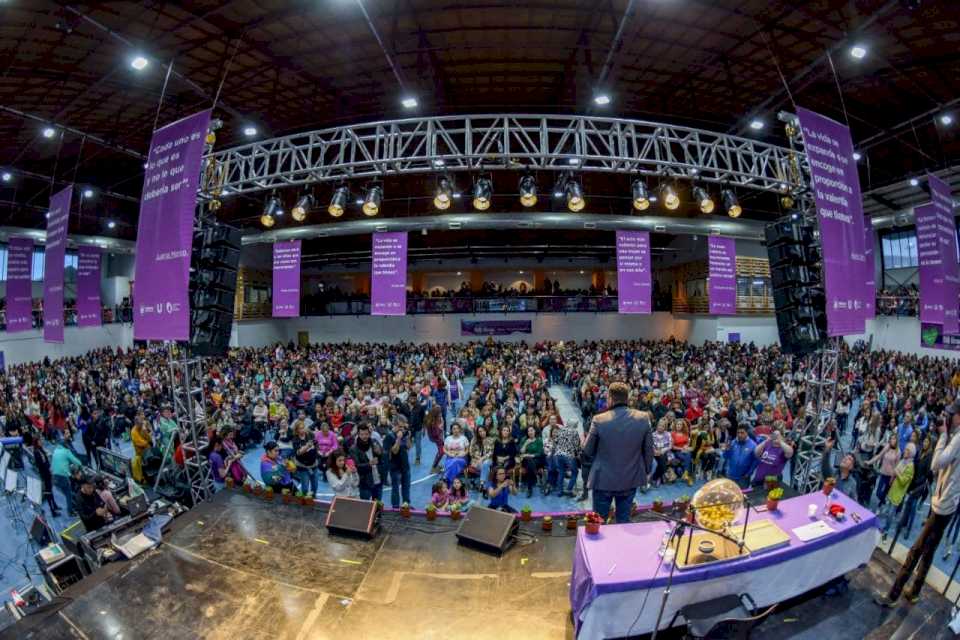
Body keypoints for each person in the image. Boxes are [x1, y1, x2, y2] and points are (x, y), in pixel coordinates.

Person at [877, 411, 960, 607]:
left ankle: (892, 595)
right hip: (948, 503)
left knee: (915, 551)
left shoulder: (957, 437)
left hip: (943, 504)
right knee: (929, 551)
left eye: (951, 414)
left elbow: (936, 464)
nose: (946, 418)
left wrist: (942, 436)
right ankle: (914, 592)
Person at [583, 382, 654, 524]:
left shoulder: (599, 420)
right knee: (623, 521)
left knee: (599, 522)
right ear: (627, 398)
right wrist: (646, 471)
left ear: (610, 398)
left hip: (603, 480)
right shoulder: (643, 418)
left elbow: (587, 450)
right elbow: (649, 450)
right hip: (630, 478)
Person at [878, 442, 916, 540]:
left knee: (891, 513)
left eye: (908, 450)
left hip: (898, 493)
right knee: (887, 510)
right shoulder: (903, 461)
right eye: (906, 449)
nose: (905, 451)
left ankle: (886, 530)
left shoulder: (910, 466)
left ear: (911, 453)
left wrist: (897, 472)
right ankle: (883, 527)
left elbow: (903, 481)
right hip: (893, 489)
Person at [22, 432, 60, 516]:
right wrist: (48, 469)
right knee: (48, 492)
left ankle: (55, 505)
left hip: (47, 473)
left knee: (50, 490)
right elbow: (41, 465)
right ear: (37, 441)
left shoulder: (40, 449)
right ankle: (53, 511)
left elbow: (45, 460)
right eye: (40, 440)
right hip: (45, 474)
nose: (42, 441)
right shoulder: (36, 452)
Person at [546, 417, 581, 497]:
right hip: (568, 456)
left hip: (558, 456)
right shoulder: (574, 432)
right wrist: (578, 456)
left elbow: (555, 443)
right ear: (574, 425)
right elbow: (577, 447)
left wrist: (553, 454)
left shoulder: (561, 430)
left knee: (561, 472)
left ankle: (560, 491)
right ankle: (569, 490)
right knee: (575, 472)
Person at [350, 424, 383, 500]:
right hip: (365, 482)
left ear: (370, 434)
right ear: (358, 434)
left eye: (366, 434)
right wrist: (369, 464)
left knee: (378, 505)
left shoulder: (374, 442)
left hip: (378, 478)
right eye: (362, 434)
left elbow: (382, 458)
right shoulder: (353, 449)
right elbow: (357, 466)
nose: (364, 436)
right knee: (365, 506)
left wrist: (380, 452)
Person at [383, 420, 412, 508]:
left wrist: (408, 437)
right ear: (394, 426)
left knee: (406, 487)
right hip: (395, 467)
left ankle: (406, 505)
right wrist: (398, 439)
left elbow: (409, 447)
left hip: (405, 466)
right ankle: (395, 507)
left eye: (403, 427)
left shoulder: (403, 435)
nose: (402, 429)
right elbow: (394, 451)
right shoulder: (389, 436)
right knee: (395, 488)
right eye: (400, 427)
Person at [51, 440, 83, 516]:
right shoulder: (66, 451)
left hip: (54, 477)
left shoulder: (55, 451)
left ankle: (73, 505)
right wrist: (81, 466)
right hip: (62, 477)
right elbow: (77, 462)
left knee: (66, 493)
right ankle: (70, 512)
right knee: (68, 494)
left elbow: (60, 463)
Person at [292, 421, 319, 495]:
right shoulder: (295, 439)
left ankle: (313, 498)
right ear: (297, 430)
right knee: (305, 488)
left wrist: (316, 448)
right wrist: (307, 446)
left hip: (314, 465)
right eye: (300, 428)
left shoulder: (310, 434)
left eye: (303, 427)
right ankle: (305, 502)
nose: (302, 430)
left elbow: (316, 444)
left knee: (315, 486)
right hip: (303, 466)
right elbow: (298, 453)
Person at [518, 425, 544, 498]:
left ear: (535, 431)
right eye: (528, 431)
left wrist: (531, 455)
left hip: (536, 460)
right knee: (529, 461)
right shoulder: (524, 439)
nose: (530, 432)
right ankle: (536, 476)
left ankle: (529, 488)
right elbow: (521, 452)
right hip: (525, 461)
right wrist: (526, 443)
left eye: (532, 430)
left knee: (530, 462)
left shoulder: (539, 440)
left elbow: (540, 453)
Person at [442, 421, 470, 486]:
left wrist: (463, 454)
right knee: (453, 463)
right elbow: (444, 449)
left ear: (460, 429)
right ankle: (449, 480)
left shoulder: (464, 438)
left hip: (461, 458)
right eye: (454, 429)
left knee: (455, 461)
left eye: (457, 428)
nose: (456, 430)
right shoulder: (448, 438)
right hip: (450, 457)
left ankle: (446, 478)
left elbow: (467, 449)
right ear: (451, 430)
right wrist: (449, 454)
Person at [468, 424, 495, 491]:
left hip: (488, 459)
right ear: (477, 433)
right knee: (486, 468)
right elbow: (471, 452)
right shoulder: (474, 440)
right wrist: (478, 458)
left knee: (485, 463)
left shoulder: (491, 440)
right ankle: (484, 486)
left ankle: (481, 483)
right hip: (476, 460)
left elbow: (491, 452)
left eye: (483, 431)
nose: (482, 433)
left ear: (486, 431)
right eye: (480, 431)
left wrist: (482, 458)